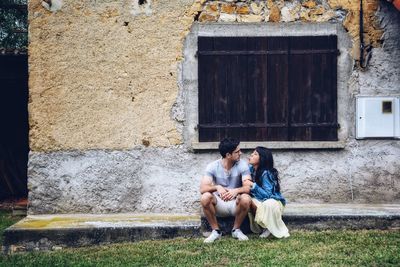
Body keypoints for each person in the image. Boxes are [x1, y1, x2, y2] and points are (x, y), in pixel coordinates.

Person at [200, 137, 253, 243]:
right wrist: (217, 187)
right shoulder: (213, 166)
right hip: (218, 204)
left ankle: (236, 230)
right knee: (205, 197)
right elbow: (203, 188)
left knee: (246, 198)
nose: (240, 153)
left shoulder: (242, 165)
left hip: (235, 203)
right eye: (237, 152)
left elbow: (248, 187)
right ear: (228, 155)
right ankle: (216, 231)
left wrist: (236, 190)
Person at [245, 146, 290, 239]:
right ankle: (263, 227)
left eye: (255, 154)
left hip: (273, 201)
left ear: (262, 158)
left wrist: (253, 185)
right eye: (252, 153)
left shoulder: (266, 173)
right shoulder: (251, 170)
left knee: (268, 204)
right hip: (259, 199)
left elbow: (268, 195)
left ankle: (269, 228)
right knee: (247, 200)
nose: (251, 155)